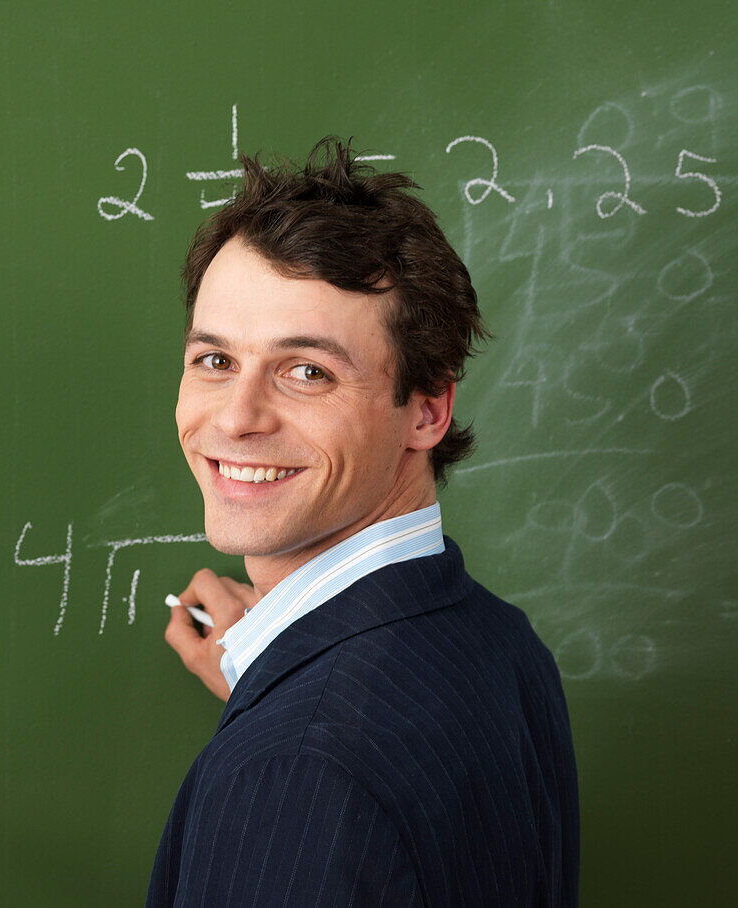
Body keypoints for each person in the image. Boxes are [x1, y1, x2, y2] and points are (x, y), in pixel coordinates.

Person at [146, 138, 579, 906]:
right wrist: (272, 676)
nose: (237, 417)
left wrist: (292, 730)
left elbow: (326, 787)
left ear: (426, 410)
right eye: (215, 361)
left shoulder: (298, 774)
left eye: (306, 371)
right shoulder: (499, 644)